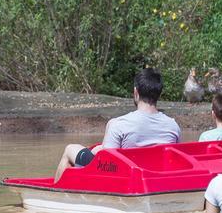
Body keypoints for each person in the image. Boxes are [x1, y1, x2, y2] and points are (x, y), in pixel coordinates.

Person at [53, 68, 181, 181]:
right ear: (159, 94)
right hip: (155, 177)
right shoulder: (173, 126)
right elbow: (174, 159)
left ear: (136, 92)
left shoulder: (120, 125)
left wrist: (99, 152)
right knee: (97, 149)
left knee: (70, 149)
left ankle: (56, 195)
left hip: (122, 177)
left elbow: (106, 166)